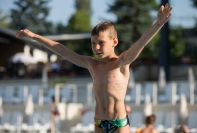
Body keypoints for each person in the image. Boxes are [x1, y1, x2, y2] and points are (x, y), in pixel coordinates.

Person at [16, 3, 172, 133]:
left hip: (119, 124)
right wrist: (34, 37)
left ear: (114, 42)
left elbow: (140, 43)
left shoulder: (122, 62)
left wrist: (158, 24)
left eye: (101, 43)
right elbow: (62, 50)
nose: (96, 47)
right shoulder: (92, 64)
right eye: (93, 43)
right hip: (99, 123)